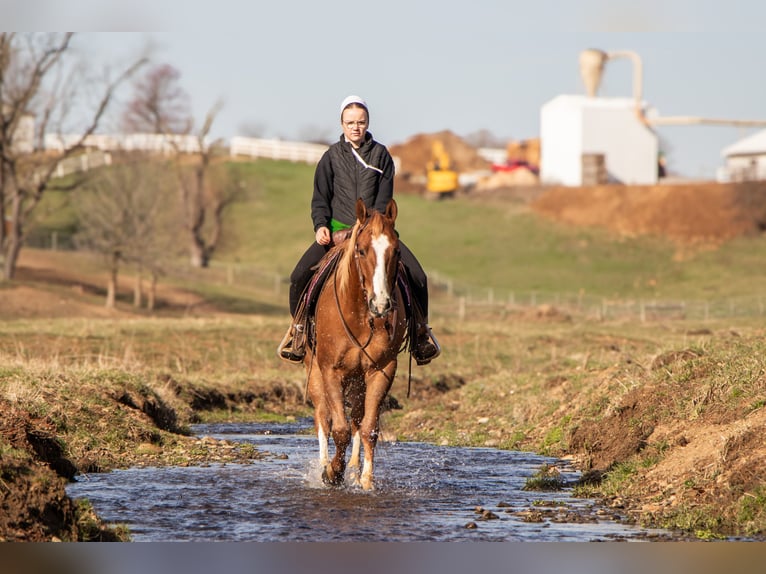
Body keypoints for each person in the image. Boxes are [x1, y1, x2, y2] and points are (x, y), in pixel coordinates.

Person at [278, 94, 440, 365]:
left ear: (367, 123)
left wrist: (371, 228)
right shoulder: (330, 157)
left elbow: (384, 199)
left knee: (418, 276)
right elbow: (320, 198)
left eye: (361, 122)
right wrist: (320, 226)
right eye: (350, 122)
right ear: (342, 124)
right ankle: (298, 331)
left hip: (374, 233)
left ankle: (420, 334)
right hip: (336, 232)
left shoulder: (381, 155)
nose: (356, 127)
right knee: (297, 277)